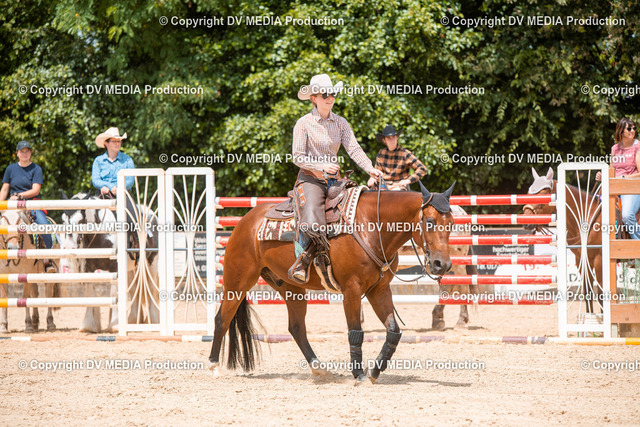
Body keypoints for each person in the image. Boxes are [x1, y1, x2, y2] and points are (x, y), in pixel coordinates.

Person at [289, 74, 383, 282]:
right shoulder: (303, 123)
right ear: (314, 98)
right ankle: (302, 261)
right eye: (325, 94)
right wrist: (321, 166)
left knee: (358, 210)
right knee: (312, 218)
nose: (330, 98)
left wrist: (370, 169)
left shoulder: (341, 122)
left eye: (332, 94)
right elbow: (297, 157)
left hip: (335, 180)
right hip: (311, 179)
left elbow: (354, 149)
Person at [0, 141, 54, 254]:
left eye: (27, 151)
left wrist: (20, 195)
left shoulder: (36, 169)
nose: (25, 154)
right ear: (17, 153)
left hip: (31, 205)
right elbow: (4, 189)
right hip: (13, 205)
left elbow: (35, 190)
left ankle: (47, 255)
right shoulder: (10, 169)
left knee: (44, 226)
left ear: (31, 153)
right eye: (22, 152)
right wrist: (1, 205)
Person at [597, 118, 640, 239]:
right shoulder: (615, 149)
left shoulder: (638, 147)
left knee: (627, 216)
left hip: (631, 188)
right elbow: (611, 169)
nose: (632, 131)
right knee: (595, 209)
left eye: (634, 128)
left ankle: (638, 243)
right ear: (621, 132)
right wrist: (603, 175)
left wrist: (624, 177)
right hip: (614, 187)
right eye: (629, 128)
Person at [367, 124, 428, 190]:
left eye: (393, 137)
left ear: (397, 138)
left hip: (400, 186)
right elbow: (377, 171)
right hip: (385, 186)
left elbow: (422, 168)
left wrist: (408, 180)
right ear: (384, 140)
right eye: (388, 138)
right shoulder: (381, 153)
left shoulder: (405, 153)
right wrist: (372, 178)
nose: (392, 140)